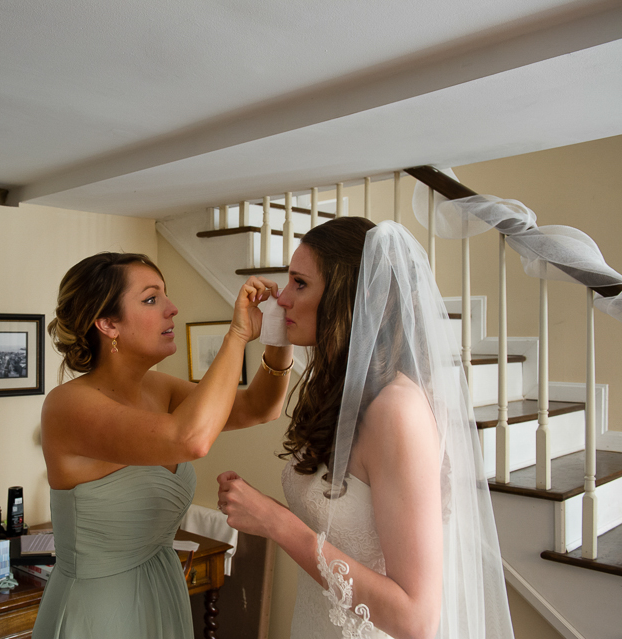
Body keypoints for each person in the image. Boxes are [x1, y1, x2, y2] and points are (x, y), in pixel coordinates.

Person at [217, 217, 514, 639]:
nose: (281, 297)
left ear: (353, 297)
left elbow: (417, 620)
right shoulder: (342, 389)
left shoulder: (397, 413)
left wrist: (275, 522)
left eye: (299, 283)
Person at [32, 252, 294, 639]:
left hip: (164, 591)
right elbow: (190, 439)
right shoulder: (68, 405)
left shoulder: (160, 389)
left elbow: (260, 407)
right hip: (99, 611)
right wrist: (236, 336)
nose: (172, 309)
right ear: (108, 324)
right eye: (152, 299)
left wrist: (276, 333)